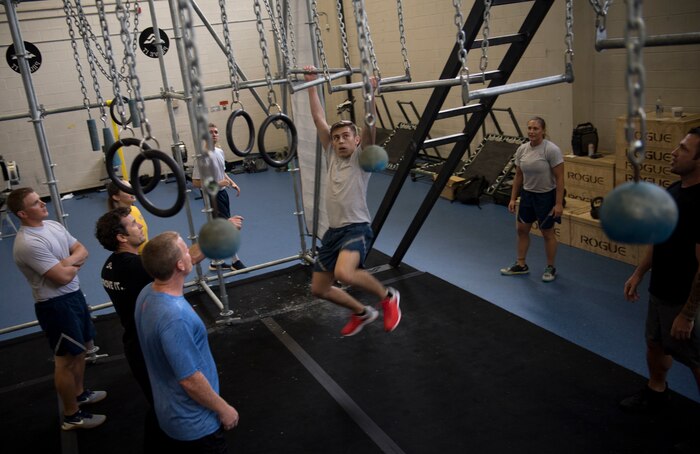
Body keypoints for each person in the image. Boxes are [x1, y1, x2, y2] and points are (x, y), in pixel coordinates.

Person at [303, 65, 401, 336]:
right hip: (333, 232)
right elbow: (318, 117)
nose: (340, 141)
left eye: (346, 136)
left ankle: (388, 297)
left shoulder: (362, 157)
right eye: (336, 138)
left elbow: (371, 127)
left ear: (357, 140)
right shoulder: (331, 155)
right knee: (319, 289)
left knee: (345, 274)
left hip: (357, 227)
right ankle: (362, 312)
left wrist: (371, 96)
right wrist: (312, 84)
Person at [7, 187, 106, 431]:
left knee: (82, 349)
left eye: (39, 199)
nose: (42, 203)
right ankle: (72, 416)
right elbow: (61, 278)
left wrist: (67, 263)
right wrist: (71, 265)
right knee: (65, 361)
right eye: (34, 203)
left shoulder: (53, 226)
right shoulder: (27, 243)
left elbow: (83, 249)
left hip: (73, 297)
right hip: (55, 306)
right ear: (22, 213)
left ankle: (80, 393)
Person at [620, 128, 700, 414]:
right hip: (660, 290)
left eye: (683, 149)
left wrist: (688, 314)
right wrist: (639, 273)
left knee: (695, 359)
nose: (673, 152)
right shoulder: (674, 191)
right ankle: (656, 391)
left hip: (684, 298)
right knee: (655, 344)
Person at [135, 231, 239, 451]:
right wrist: (224, 409)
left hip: (167, 412)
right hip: (194, 424)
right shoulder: (176, 317)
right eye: (185, 249)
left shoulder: (146, 293)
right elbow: (189, 379)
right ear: (180, 265)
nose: (190, 252)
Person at [501, 116, 565, 282]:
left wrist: (558, 203)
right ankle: (521, 264)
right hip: (527, 195)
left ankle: (550, 267)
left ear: (543, 131)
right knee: (522, 230)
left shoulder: (551, 150)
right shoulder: (522, 149)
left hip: (546, 197)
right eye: (529, 128)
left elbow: (560, 178)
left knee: (547, 233)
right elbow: (518, 176)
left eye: (535, 128)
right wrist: (513, 198)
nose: (531, 131)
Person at [192, 122, 245, 272]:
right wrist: (218, 183)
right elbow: (196, 183)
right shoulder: (201, 157)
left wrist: (232, 183)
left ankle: (216, 262)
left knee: (219, 228)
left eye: (216, 132)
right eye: (210, 132)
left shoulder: (220, 152)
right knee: (228, 227)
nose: (214, 134)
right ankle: (235, 261)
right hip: (212, 196)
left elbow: (222, 172)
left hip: (222, 193)